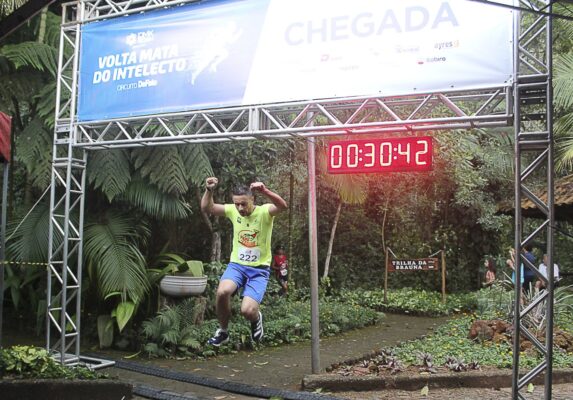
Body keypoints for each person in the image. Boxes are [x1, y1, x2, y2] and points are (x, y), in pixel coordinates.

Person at [201, 177, 287, 346]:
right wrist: (209, 190)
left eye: (244, 204)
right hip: (237, 266)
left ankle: (256, 318)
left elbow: (282, 206)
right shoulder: (233, 210)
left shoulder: (264, 212)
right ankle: (223, 331)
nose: (240, 208)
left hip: (259, 270)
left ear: (252, 199)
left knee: (247, 311)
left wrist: (265, 191)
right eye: (237, 204)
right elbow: (207, 207)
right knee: (222, 292)